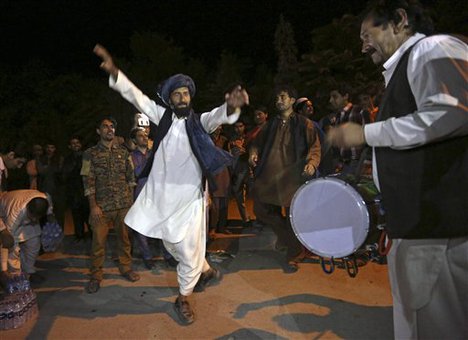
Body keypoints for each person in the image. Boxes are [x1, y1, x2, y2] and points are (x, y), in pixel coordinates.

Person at [327, 1, 468, 338]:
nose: (362, 45)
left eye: (367, 34)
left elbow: (453, 113)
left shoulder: (431, 48)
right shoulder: (410, 63)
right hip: (425, 227)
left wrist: (366, 133)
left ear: (399, 20)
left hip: (435, 228)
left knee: (433, 327)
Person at [93, 44, 249, 325]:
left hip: (189, 198)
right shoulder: (161, 116)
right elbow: (136, 97)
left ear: (190, 96)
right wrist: (115, 72)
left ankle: (184, 296)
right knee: (172, 244)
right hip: (160, 196)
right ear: (170, 99)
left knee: (187, 246)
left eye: (185, 93)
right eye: (176, 94)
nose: (181, 97)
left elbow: (218, 115)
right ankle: (202, 268)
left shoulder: (200, 122)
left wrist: (232, 106)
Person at [249, 85, 321, 273]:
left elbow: (314, 147)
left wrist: (312, 164)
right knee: (260, 209)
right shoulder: (270, 124)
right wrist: (254, 153)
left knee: (291, 217)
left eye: (282, 97)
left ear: (291, 101)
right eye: (277, 98)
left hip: (293, 178)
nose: (278, 101)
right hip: (269, 178)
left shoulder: (305, 124)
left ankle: (294, 254)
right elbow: (256, 143)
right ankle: (288, 240)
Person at [81, 116, 140, 294]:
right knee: (98, 242)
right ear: (99, 131)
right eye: (105, 126)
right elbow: (87, 180)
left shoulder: (123, 152)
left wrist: (130, 200)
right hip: (101, 207)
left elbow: (131, 177)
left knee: (124, 239)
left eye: (112, 127)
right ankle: (96, 275)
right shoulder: (90, 154)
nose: (109, 129)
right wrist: (93, 206)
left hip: (123, 205)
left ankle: (126, 267)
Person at [0, 189, 54, 284]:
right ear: (27, 208)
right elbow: (7, 243)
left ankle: (29, 272)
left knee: (34, 243)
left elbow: (48, 205)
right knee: (12, 245)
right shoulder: (16, 213)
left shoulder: (45, 198)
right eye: (32, 216)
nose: (34, 219)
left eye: (37, 217)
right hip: (5, 213)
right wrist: (3, 269)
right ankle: (15, 275)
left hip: (25, 215)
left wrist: (50, 214)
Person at [62, 135, 90, 242]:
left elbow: (87, 172)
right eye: (73, 143)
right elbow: (65, 174)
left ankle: (92, 235)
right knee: (76, 216)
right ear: (70, 146)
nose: (75, 145)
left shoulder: (86, 156)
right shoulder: (67, 159)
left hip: (85, 190)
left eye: (77, 143)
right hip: (73, 191)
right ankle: (79, 235)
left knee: (88, 215)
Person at [228, 118, 251, 226]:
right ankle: (246, 219)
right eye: (236, 127)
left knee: (257, 195)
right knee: (239, 196)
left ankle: (260, 219)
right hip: (237, 171)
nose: (238, 129)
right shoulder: (231, 141)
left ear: (244, 127)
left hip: (250, 170)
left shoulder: (249, 138)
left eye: (240, 126)